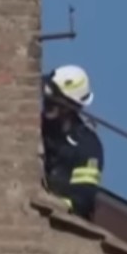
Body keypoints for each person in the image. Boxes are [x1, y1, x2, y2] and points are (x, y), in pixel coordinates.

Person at [41, 65, 104, 220]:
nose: (48, 105)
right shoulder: (35, 128)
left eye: (55, 101)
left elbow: (83, 197)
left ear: (72, 106)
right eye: (47, 100)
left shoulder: (87, 146)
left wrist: (56, 205)